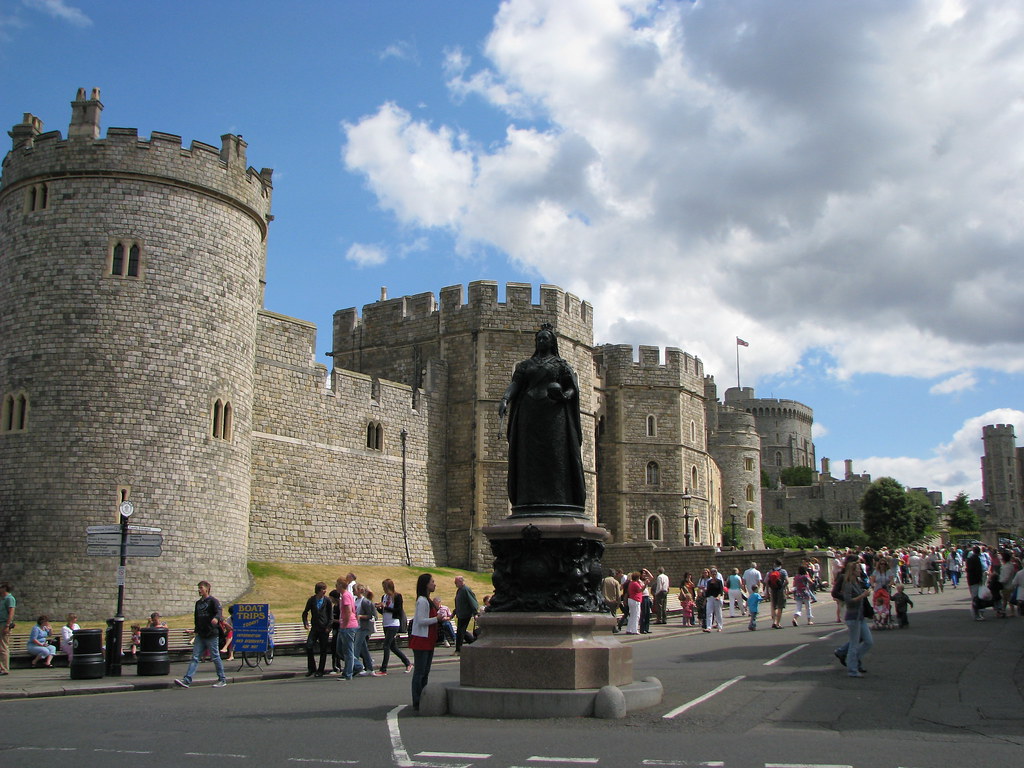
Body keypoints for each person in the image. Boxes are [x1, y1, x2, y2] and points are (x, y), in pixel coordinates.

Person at [498, 323, 585, 515]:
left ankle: (559, 498)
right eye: (539, 338)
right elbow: (515, 384)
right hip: (529, 415)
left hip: (554, 415)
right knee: (528, 458)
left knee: (555, 456)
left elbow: (572, 388)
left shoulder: (561, 366)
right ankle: (528, 498)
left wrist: (564, 396)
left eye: (545, 338)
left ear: (552, 342)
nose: (541, 341)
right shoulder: (525, 366)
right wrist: (505, 399)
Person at [175, 580, 228, 689]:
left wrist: (216, 618)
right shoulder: (198, 603)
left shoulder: (213, 601)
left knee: (215, 656)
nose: (199, 590)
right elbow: (196, 617)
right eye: (198, 588)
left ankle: (222, 679)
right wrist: (196, 630)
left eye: (201, 588)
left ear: (207, 589)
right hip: (201, 634)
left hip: (211, 633)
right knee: (195, 657)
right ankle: (187, 680)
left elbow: (219, 612)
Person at [409, 573, 439, 711]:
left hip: (428, 639)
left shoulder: (427, 600)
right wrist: (437, 619)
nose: (434, 584)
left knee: (425, 672)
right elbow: (420, 621)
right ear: (426, 584)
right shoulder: (422, 601)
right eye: (432, 582)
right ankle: (417, 699)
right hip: (422, 639)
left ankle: (423, 697)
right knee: (420, 672)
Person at [838, 560, 873, 678]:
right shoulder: (848, 584)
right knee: (854, 643)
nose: (860, 571)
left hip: (860, 616)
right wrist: (862, 596)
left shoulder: (856, 582)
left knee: (868, 641)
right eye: (858, 569)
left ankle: (852, 659)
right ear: (853, 571)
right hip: (853, 617)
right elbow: (848, 600)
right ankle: (852, 669)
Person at [377, 578, 411, 675]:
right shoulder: (384, 597)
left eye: (385, 588)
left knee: (386, 645)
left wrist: (385, 607)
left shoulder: (397, 596)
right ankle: (407, 663)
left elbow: (398, 610)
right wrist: (380, 608)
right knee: (393, 647)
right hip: (386, 623)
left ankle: (383, 669)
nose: (384, 590)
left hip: (393, 623)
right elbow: (383, 612)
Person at [302, 581, 333, 677]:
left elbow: (330, 615)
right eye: (323, 589)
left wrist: (329, 627)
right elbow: (305, 612)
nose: (325, 591)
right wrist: (306, 623)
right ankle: (311, 668)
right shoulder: (312, 600)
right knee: (309, 646)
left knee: (323, 650)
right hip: (315, 627)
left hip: (324, 629)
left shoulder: (327, 601)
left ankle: (320, 670)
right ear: (318, 590)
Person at [353, 584, 379, 676]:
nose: (353, 591)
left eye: (354, 590)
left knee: (356, 648)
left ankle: (355, 667)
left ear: (359, 590)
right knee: (364, 649)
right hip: (357, 627)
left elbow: (371, 616)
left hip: (363, 627)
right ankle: (370, 668)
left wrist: (360, 616)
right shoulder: (356, 601)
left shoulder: (365, 602)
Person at [336, 580, 358, 680]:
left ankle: (348, 673)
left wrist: (345, 624)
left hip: (348, 626)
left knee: (348, 651)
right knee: (340, 649)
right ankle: (357, 665)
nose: (336, 586)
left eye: (337, 584)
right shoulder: (345, 595)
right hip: (345, 625)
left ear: (341, 585)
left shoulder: (345, 596)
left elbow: (349, 611)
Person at [453, 576, 478, 652]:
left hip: (465, 614)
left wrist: (475, 613)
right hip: (461, 614)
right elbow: (458, 604)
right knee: (461, 631)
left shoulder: (466, 590)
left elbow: (473, 602)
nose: (455, 584)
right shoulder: (459, 590)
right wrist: (454, 613)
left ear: (461, 581)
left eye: (456, 582)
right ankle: (474, 643)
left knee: (460, 631)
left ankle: (458, 650)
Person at [765, 560, 789, 629]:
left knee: (773, 606)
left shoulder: (770, 572)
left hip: (772, 590)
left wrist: (767, 591)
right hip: (780, 591)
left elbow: (766, 582)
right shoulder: (783, 571)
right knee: (780, 607)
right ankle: (778, 623)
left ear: (774, 564)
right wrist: (783, 587)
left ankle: (774, 622)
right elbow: (787, 581)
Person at [0, 582, 15, 675]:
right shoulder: (2, 599)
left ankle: (4, 668)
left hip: (4, 624)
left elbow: (11, 612)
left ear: (5, 588)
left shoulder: (10, 598)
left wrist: (7, 625)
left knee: (3, 647)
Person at [703, 567, 725, 632]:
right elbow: (708, 592)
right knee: (709, 612)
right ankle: (709, 627)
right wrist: (705, 599)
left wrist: (718, 597)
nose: (714, 575)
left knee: (718, 613)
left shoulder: (719, 582)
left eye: (715, 574)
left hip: (716, 598)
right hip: (710, 598)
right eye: (712, 574)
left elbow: (721, 591)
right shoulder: (709, 582)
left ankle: (720, 626)